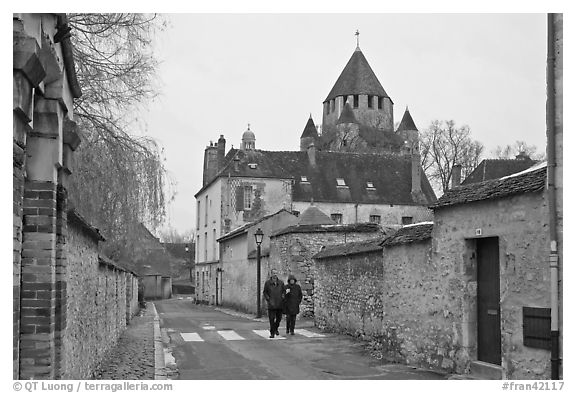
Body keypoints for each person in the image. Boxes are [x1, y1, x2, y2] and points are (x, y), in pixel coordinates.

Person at [263, 269, 285, 338]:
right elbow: (265, 292)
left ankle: (276, 328)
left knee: (279, 319)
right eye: (274, 273)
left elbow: (284, 291)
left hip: (279, 304)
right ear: (271, 274)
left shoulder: (281, 283)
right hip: (271, 304)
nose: (275, 274)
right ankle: (272, 332)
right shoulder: (267, 283)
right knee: (271, 319)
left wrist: (283, 296)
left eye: (276, 273)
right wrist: (268, 299)